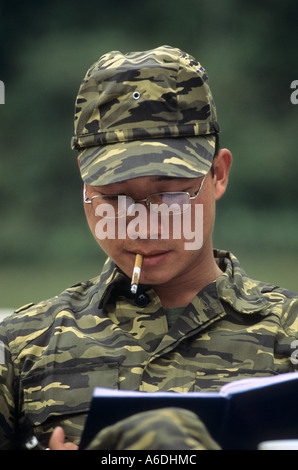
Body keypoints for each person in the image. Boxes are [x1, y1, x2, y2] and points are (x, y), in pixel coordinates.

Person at [1, 45, 298, 451]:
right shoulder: (21, 348)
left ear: (219, 173)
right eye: (115, 198)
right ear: (85, 187)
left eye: (172, 196)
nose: (144, 225)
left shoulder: (291, 335)